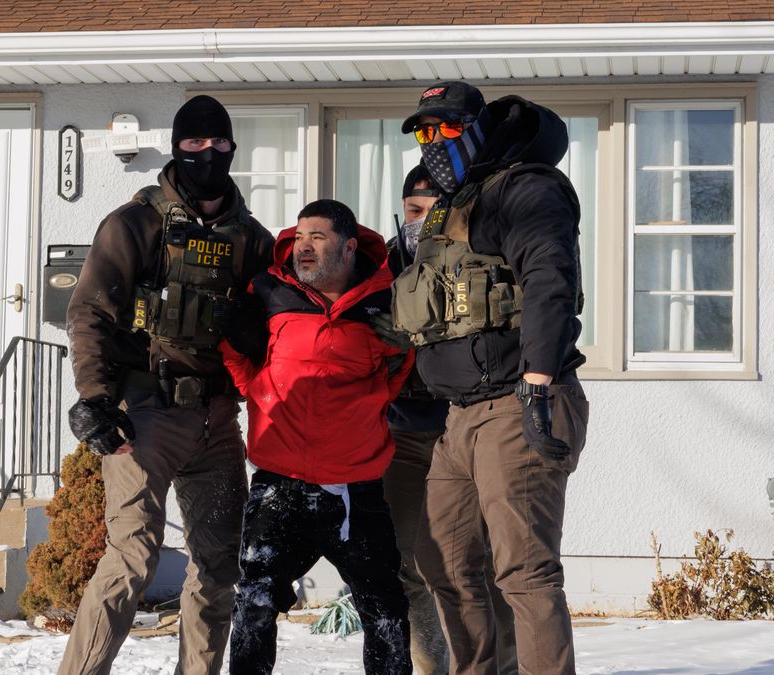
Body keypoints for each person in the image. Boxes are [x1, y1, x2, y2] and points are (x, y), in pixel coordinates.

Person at [61, 94, 275, 675]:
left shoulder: (253, 239)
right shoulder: (135, 224)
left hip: (216, 419)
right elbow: (89, 315)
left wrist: (250, 332)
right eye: (194, 144)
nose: (208, 153)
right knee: (132, 556)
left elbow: (275, 333)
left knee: (218, 566)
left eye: (219, 143)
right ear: (176, 146)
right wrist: (96, 400)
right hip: (143, 415)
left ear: (233, 147)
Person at [393, 81, 590, 674]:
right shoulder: (454, 208)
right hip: (459, 416)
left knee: (525, 571)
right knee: (446, 562)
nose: (433, 143)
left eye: (447, 129)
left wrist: (536, 381)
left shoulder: (525, 189)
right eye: (424, 133)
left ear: (480, 126)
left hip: (518, 399)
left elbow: (550, 281)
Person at [221, 199, 412, 675]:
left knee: (385, 609)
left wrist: (364, 407)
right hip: (279, 482)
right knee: (255, 602)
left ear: (348, 247)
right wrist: (260, 392)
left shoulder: (384, 301)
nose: (304, 247)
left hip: (356, 487)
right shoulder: (268, 291)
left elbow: (396, 370)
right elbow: (234, 348)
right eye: (300, 237)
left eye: (318, 238)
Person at [381, 166, 518, 675]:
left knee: (482, 562)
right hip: (402, 433)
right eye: (411, 211)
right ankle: (431, 665)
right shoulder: (387, 264)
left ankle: (504, 665)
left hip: (467, 426)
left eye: (429, 210)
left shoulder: (482, 254)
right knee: (409, 563)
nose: (419, 222)